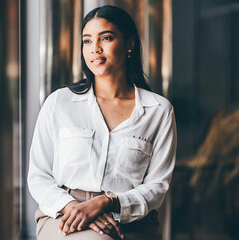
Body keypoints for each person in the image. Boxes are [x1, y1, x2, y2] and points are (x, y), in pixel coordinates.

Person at [28, 5, 177, 240]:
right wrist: (75, 208)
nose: (94, 49)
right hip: (65, 214)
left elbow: (157, 187)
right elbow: (39, 176)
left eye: (106, 38)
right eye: (87, 41)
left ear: (130, 44)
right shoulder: (59, 103)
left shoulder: (158, 111)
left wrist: (107, 203)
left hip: (132, 221)